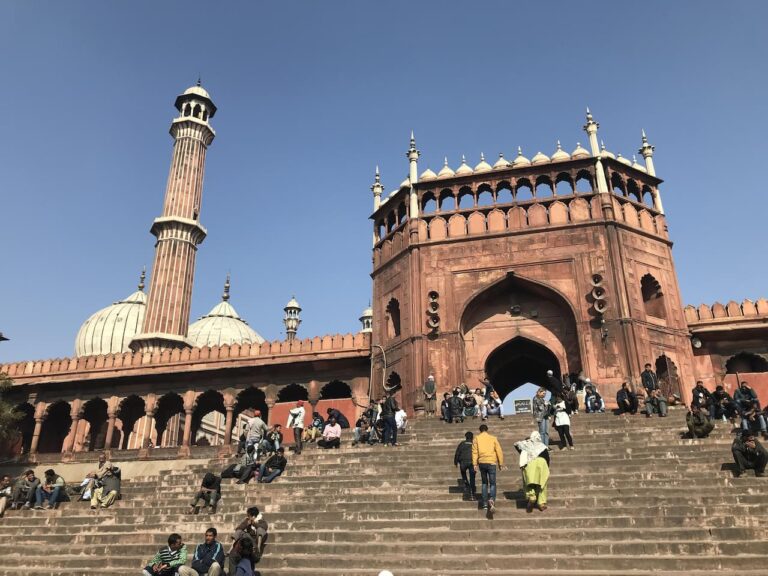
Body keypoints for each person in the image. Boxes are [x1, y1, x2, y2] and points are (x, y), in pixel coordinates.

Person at [515, 430, 551, 512]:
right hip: (542, 463)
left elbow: (516, 445)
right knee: (542, 484)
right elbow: (547, 458)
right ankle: (541, 503)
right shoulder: (542, 446)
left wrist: (526, 442)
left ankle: (532, 497)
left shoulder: (525, 446)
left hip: (530, 464)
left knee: (529, 484)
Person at [472, 424, 504, 514]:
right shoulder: (493, 438)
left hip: (482, 462)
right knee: (493, 483)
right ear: (487, 430)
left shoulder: (476, 438)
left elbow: (474, 452)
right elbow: (499, 450)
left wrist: (475, 464)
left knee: (484, 483)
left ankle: (485, 504)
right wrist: (500, 463)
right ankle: (492, 499)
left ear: (480, 430)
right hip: (492, 462)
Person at [229, 506, 268, 573]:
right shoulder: (247, 520)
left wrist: (254, 524)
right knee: (239, 532)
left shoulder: (262, 521)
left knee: (260, 529)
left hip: (257, 541)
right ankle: (231, 547)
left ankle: (258, 548)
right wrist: (247, 524)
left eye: (249, 515)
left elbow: (264, 528)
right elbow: (238, 528)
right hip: (249, 541)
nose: (247, 517)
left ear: (253, 516)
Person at [454, 431, 476, 500]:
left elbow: (457, 453)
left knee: (463, 473)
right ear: (472, 437)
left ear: (465, 437)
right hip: (472, 462)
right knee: (472, 478)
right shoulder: (474, 443)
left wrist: (455, 462)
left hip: (463, 462)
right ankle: (472, 495)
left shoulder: (462, 443)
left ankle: (466, 482)